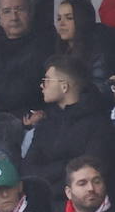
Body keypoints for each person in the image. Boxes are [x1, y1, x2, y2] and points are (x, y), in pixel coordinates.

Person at [23, 55, 115, 198]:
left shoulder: (99, 123)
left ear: (64, 86)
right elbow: (28, 170)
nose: (42, 85)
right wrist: (65, 166)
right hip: (46, 205)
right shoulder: (45, 124)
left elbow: (92, 172)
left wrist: (51, 173)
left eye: (46, 80)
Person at [53, 0, 115, 94]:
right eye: (59, 18)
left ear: (83, 20)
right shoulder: (62, 49)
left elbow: (100, 91)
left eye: (69, 18)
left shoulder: (99, 49)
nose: (61, 24)